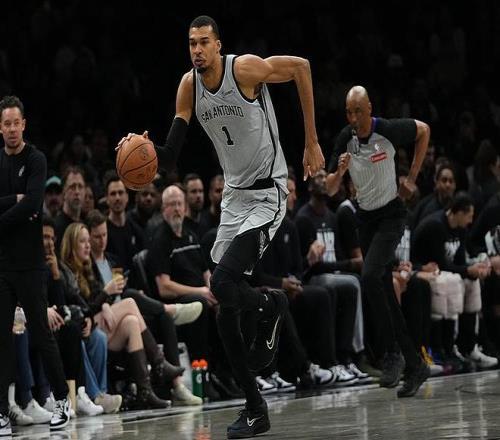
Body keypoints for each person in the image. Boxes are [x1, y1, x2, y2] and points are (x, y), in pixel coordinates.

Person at [118, 15, 324, 438]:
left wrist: (311, 141)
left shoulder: (243, 69)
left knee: (227, 281)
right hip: (233, 198)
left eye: (203, 42)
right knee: (222, 302)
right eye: (191, 43)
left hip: (267, 193)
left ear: (218, 45)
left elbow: (301, 67)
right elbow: (170, 156)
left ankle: (271, 305)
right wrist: (143, 150)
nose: (196, 50)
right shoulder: (188, 86)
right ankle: (255, 408)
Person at [326, 85, 430, 398]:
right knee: (382, 289)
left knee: (370, 275)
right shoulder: (345, 139)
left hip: (391, 215)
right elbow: (330, 188)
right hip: (366, 220)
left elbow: (424, 131)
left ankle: (392, 354)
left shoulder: (387, 130)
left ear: (369, 109)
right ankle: (415, 364)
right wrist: (340, 173)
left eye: (359, 111)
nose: (354, 118)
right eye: (349, 112)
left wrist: (411, 178)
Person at [0, 95, 71, 435]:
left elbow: (33, 204)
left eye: (17, 123)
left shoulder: (36, 159)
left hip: (30, 264)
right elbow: (23, 205)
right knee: (2, 339)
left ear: (24, 124)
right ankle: (2, 411)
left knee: (42, 335)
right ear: (0, 127)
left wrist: (11, 210)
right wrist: (14, 202)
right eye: (7, 123)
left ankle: (62, 400)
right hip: (3, 265)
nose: (12, 129)